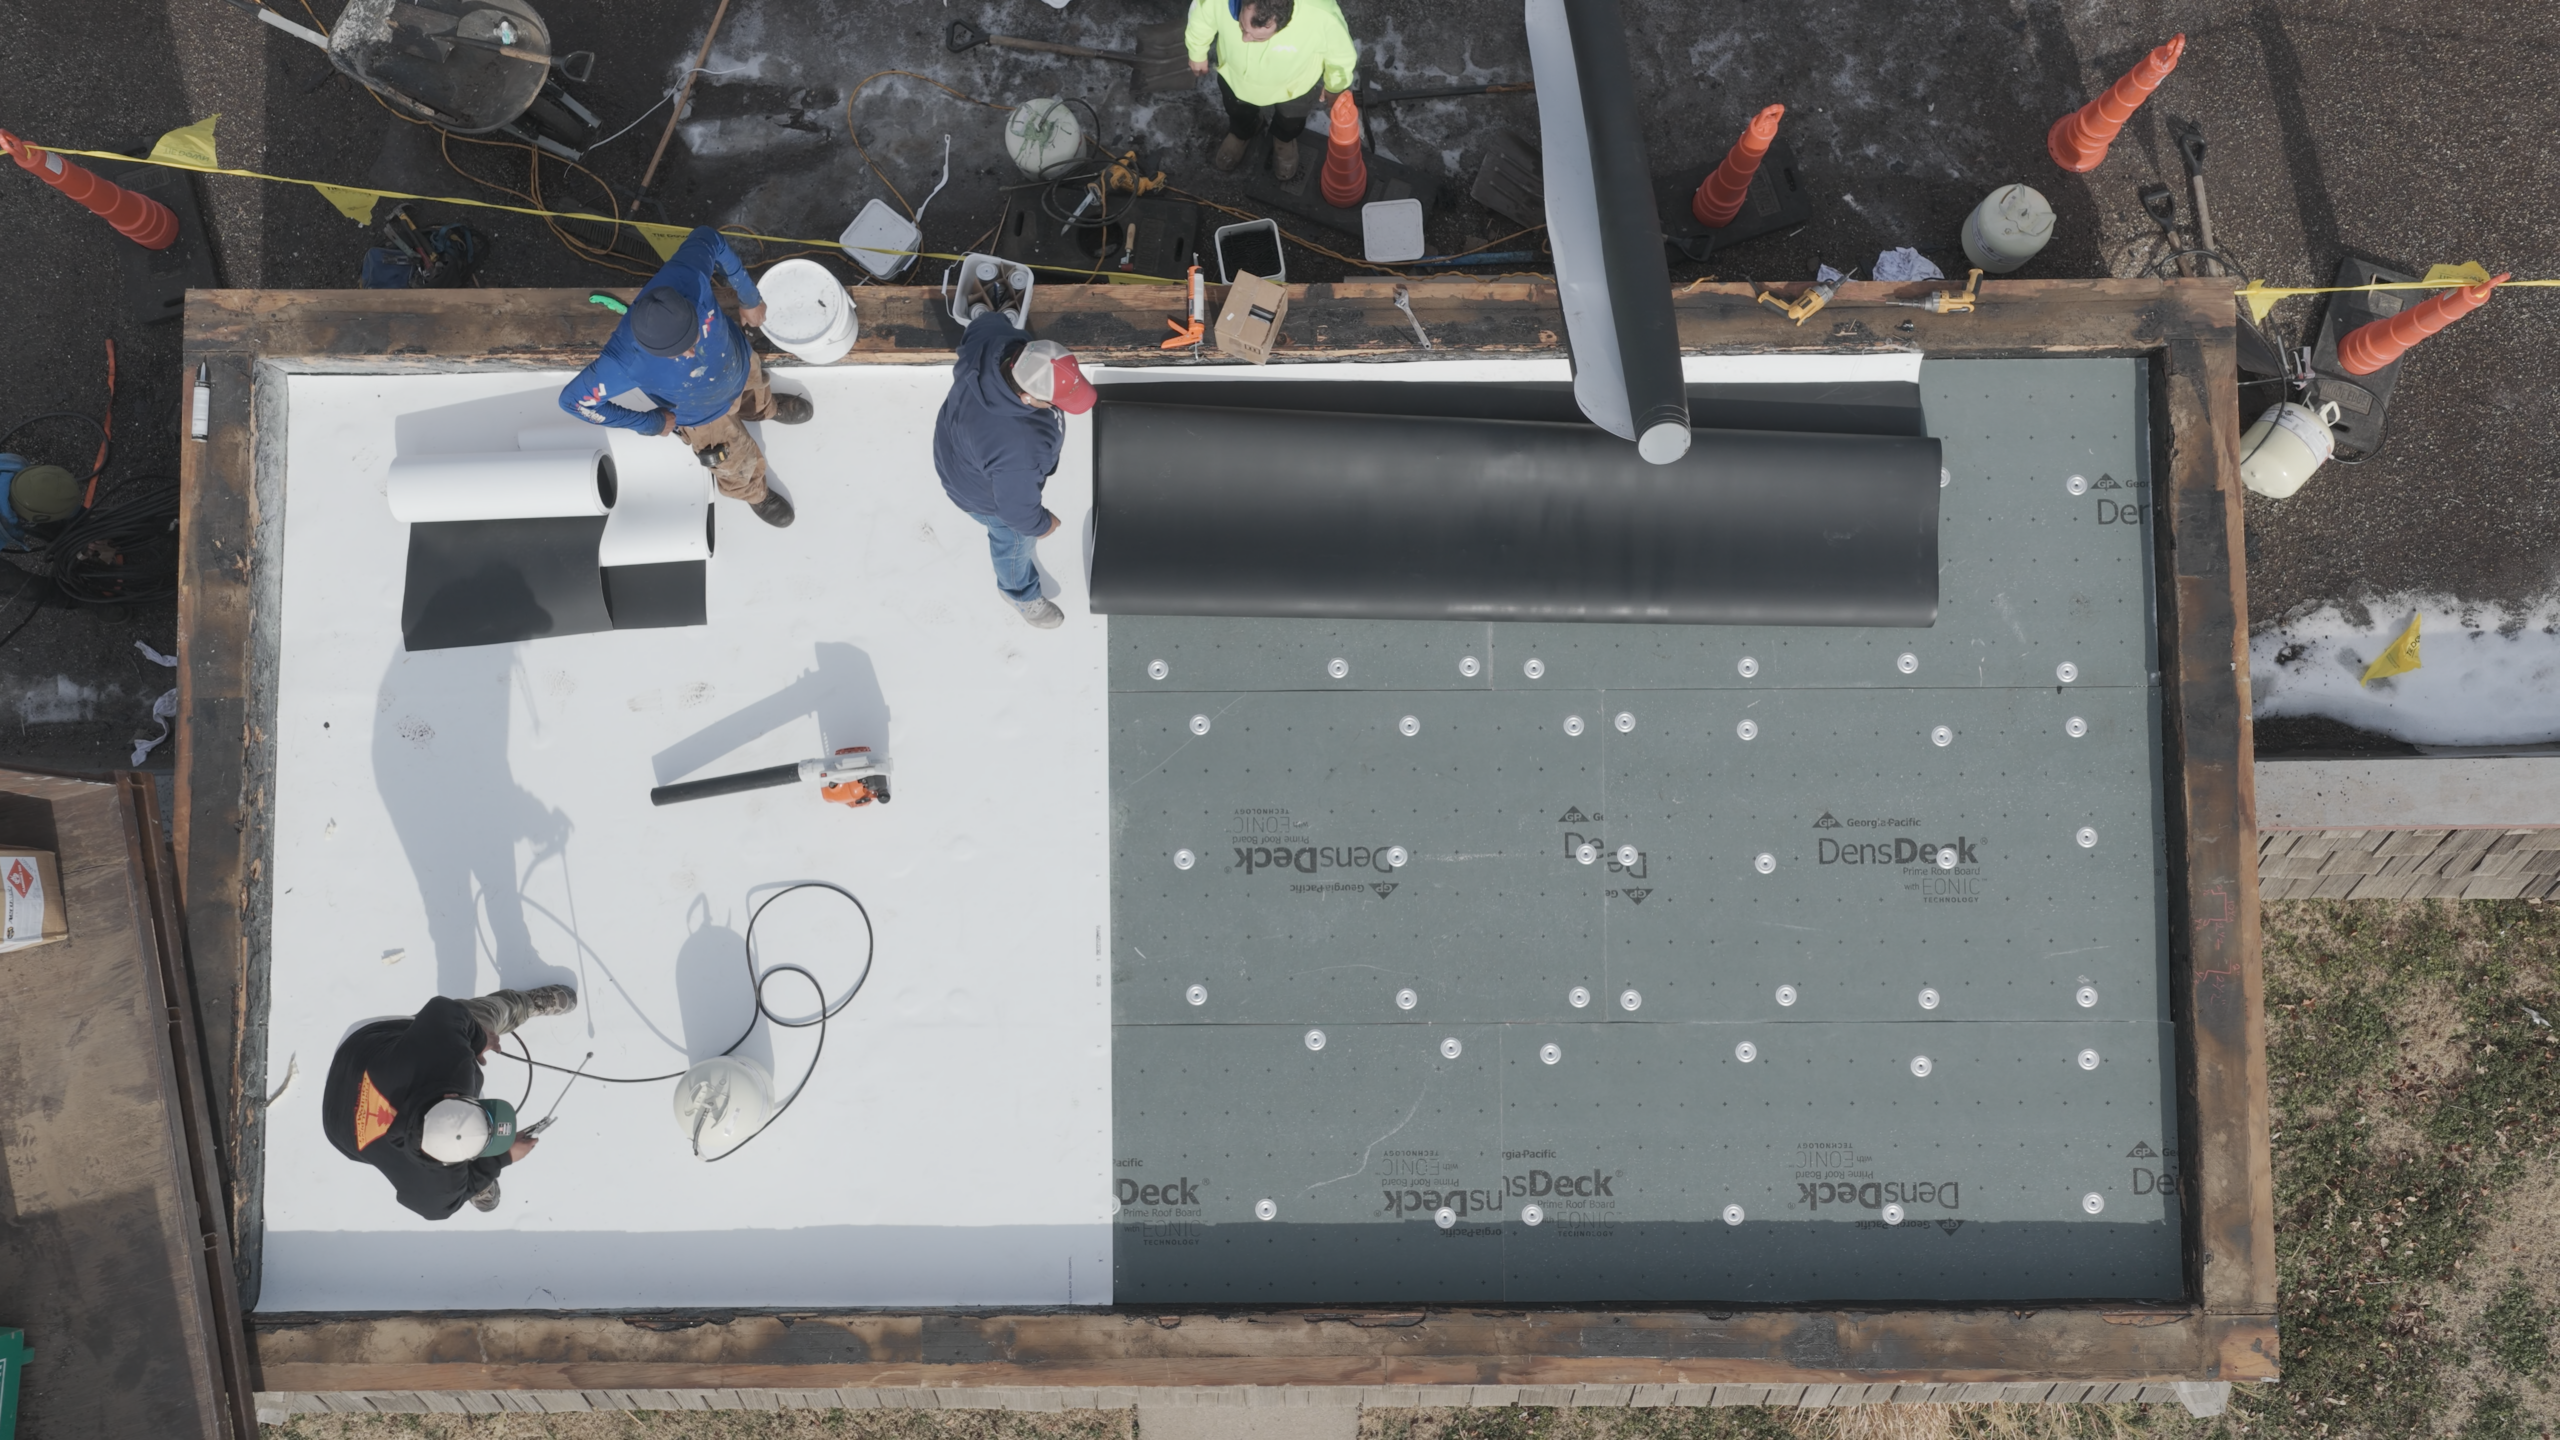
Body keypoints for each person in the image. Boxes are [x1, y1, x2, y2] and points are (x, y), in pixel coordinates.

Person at [557, 226, 805, 528]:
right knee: (733, 463)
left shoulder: (688, 276)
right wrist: (650, 423)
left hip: (737, 363)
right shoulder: (623, 360)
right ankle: (754, 492)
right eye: (679, 351)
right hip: (703, 418)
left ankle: (765, 409)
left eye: (692, 337)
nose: (691, 352)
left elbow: (709, 236)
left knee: (755, 386)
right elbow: (573, 403)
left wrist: (749, 297)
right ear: (649, 347)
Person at [322, 985, 576, 1220]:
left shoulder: (445, 1057)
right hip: (340, 1126)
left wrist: (478, 1039)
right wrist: (501, 1159)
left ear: (450, 1097)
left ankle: (522, 1004)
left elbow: (445, 1010)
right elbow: (437, 1208)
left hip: (364, 1044)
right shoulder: (432, 1186)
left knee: (479, 1019)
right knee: (461, 1164)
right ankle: (473, 1182)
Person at [931, 295, 1096, 630]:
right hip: (984, 496)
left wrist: (996, 316)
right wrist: (1042, 524)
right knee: (1014, 542)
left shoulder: (993, 342)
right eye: (1055, 401)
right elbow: (1016, 513)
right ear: (1026, 398)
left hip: (955, 445)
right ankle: (1019, 593)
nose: (1062, 405)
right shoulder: (1019, 448)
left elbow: (983, 323)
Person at [1186, 0, 1359, 182]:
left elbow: (1341, 55)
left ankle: (1284, 140)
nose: (1245, 39)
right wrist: (1196, 51)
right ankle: (1243, 132)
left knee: (1291, 120)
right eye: (1242, 27)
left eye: (1258, 37)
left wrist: (1335, 86)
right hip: (1235, 78)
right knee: (1237, 110)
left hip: (1295, 86)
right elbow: (1200, 17)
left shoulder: (1321, 14)